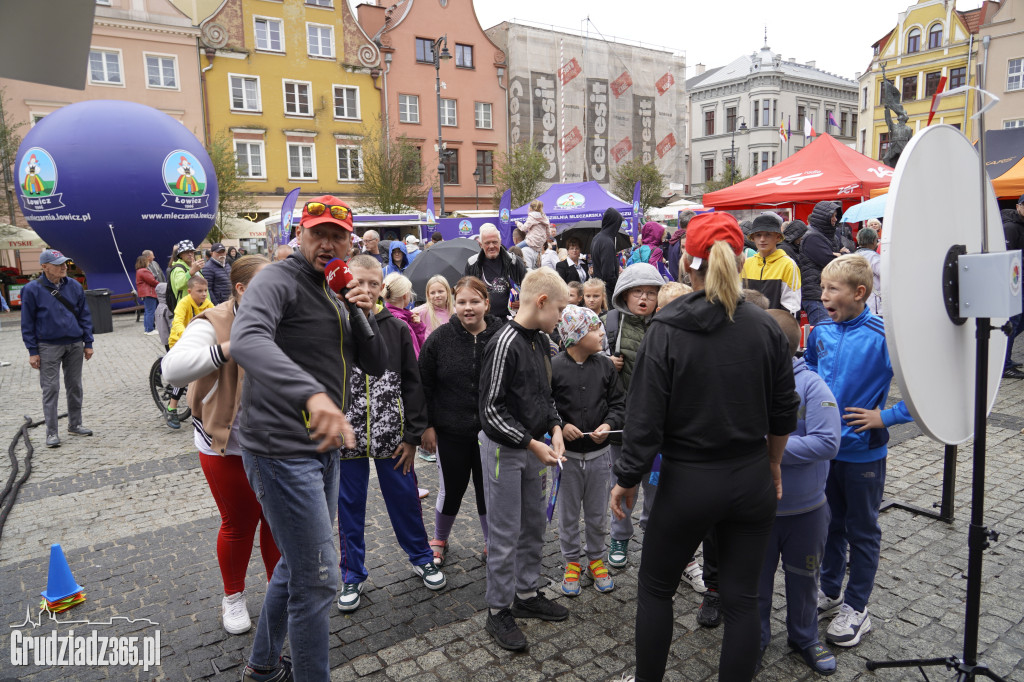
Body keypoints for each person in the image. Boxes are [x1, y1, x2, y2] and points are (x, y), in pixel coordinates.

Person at [610, 212, 800, 682]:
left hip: (688, 482)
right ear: (741, 261)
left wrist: (627, 478)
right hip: (749, 475)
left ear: (686, 265)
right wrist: (773, 464)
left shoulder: (667, 328)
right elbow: (784, 411)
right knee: (742, 600)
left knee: (656, 589)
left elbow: (644, 418)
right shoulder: (765, 327)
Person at [231, 195, 387, 682]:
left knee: (297, 566)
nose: (327, 243)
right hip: (280, 448)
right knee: (320, 579)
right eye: (318, 233)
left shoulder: (334, 287)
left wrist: (359, 308)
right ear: (300, 235)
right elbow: (247, 339)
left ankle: (261, 667)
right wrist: (313, 396)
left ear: (350, 240)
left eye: (337, 235)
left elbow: (377, 363)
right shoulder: (277, 280)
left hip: (323, 448)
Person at [161, 255, 280, 636]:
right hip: (227, 444)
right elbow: (172, 369)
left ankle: (281, 592)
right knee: (239, 522)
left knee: (277, 524)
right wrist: (227, 350)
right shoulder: (214, 320)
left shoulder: (287, 316)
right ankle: (233, 596)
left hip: (279, 441)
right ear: (242, 290)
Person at [811, 254, 913, 649]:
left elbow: (920, 393)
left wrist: (885, 417)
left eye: (831, 289)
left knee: (863, 530)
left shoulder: (883, 335)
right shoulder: (820, 332)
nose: (823, 296)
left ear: (860, 293)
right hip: (825, 452)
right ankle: (832, 591)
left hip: (863, 455)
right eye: (822, 288)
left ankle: (858, 607)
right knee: (831, 524)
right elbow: (811, 375)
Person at [335, 255, 445, 613]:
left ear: (382, 288)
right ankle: (352, 573)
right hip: (345, 436)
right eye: (358, 283)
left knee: (404, 498)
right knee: (348, 506)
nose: (365, 290)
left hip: (391, 435)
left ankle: (421, 555)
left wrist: (413, 435)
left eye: (372, 283)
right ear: (347, 285)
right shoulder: (335, 322)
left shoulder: (396, 328)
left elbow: (413, 384)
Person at [479, 267, 569, 651]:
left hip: (534, 448)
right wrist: (532, 442)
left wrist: (557, 427)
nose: (562, 318)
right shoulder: (504, 342)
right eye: (560, 310)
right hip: (505, 450)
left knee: (533, 525)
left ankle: (527, 594)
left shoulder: (539, 342)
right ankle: (498, 610)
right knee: (504, 533)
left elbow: (544, 395)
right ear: (542, 302)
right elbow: (490, 410)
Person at [757, 309, 841, 676]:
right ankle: (755, 639)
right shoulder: (747, 383)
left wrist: (768, 449)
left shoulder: (812, 387)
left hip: (805, 512)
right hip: (757, 512)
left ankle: (804, 637)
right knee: (754, 584)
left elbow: (827, 442)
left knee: (804, 579)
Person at [419, 276, 502, 566]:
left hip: (492, 433)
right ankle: (439, 538)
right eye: (463, 302)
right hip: (450, 431)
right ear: (455, 304)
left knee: (487, 489)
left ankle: (492, 542)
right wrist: (427, 426)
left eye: (475, 301)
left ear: (486, 303)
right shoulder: (439, 339)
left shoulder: (501, 335)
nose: (468, 308)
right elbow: (424, 385)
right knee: (451, 487)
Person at [551, 305, 625, 597]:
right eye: (595, 329)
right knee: (568, 515)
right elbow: (545, 404)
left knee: (597, 513)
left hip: (599, 457)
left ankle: (596, 558)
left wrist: (608, 425)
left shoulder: (606, 366)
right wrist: (561, 424)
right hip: (566, 459)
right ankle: (571, 562)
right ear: (577, 335)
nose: (601, 333)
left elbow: (619, 404)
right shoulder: (554, 366)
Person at [602, 263, 663, 569]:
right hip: (621, 422)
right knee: (620, 482)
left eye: (651, 292)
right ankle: (619, 536)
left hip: (657, 424)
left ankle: (653, 533)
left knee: (655, 483)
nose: (643, 298)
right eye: (638, 291)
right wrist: (605, 362)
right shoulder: (609, 323)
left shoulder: (666, 324)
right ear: (624, 294)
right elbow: (583, 358)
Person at [20, 249, 95, 448]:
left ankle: (75, 424)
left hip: (74, 344)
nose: (64, 267)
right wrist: (32, 351)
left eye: (65, 263)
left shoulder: (75, 286)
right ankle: (52, 432)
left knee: (75, 386)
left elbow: (84, 316)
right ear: (44, 267)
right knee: (51, 389)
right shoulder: (31, 289)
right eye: (58, 264)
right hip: (47, 345)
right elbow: (27, 323)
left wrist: (88, 343)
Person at [166, 275, 214, 429]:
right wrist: (187, 333)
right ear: (189, 291)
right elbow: (177, 321)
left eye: (205, 290)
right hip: (179, 341)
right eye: (199, 291)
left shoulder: (207, 304)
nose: (204, 294)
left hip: (199, 342)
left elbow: (217, 317)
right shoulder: (184, 303)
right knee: (186, 371)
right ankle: (171, 408)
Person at [740, 212, 802, 316]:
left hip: (776, 329)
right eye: (758, 235)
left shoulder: (788, 265)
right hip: (749, 327)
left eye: (768, 234)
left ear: (778, 237)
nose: (762, 239)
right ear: (753, 238)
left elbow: (791, 307)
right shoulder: (746, 264)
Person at [464, 224, 527, 322]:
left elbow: (530, 289)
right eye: (487, 243)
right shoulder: (472, 264)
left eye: (494, 242)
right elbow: (465, 293)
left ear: (500, 242)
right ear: (481, 244)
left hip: (510, 321)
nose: (491, 246)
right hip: (482, 321)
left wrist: (523, 300)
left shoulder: (514, 262)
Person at [797, 201, 841, 326]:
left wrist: (838, 256)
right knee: (824, 334)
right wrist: (840, 256)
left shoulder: (826, 236)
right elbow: (831, 262)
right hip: (816, 295)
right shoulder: (812, 237)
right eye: (832, 216)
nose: (835, 219)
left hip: (822, 293)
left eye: (836, 216)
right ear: (823, 216)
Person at [1001, 200, 1024, 379]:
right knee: (1013, 321)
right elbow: (1008, 259)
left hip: (1019, 282)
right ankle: (1004, 364)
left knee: (1018, 321)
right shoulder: (1011, 227)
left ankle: (1003, 357)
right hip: (1014, 284)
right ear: (1018, 206)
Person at [382, 273, 427, 356]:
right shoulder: (401, 323)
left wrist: (416, 326)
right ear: (405, 295)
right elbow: (416, 356)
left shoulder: (385, 316)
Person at [591, 207, 623, 304]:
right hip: (607, 293)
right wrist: (617, 289)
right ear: (614, 223)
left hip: (599, 288)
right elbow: (608, 274)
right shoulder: (607, 241)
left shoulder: (597, 238)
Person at [168, 240, 205, 310]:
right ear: (180, 255)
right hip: (187, 309)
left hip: (200, 307)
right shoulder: (178, 268)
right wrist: (191, 272)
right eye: (186, 252)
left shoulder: (194, 267)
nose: (190, 254)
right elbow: (179, 284)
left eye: (191, 251)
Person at [854, 226, 882, 316]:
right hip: (874, 306)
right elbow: (885, 274)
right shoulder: (873, 257)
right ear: (874, 241)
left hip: (857, 302)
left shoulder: (852, 257)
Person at [519, 200, 550, 271]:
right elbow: (548, 231)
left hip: (531, 241)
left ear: (530, 208)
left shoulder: (532, 216)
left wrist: (518, 224)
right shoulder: (545, 217)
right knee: (537, 260)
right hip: (540, 244)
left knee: (514, 249)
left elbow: (524, 228)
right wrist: (544, 238)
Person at [667, 211, 695, 283]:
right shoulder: (686, 239)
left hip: (674, 281)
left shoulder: (674, 238)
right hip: (684, 283)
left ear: (679, 224)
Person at [135, 254, 160, 335]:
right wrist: (160, 284)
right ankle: (150, 329)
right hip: (149, 293)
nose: (148, 263)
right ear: (144, 262)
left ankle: (147, 329)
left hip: (145, 294)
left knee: (147, 312)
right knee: (150, 312)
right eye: (147, 262)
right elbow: (152, 281)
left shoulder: (139, 271)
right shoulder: (144, 271)